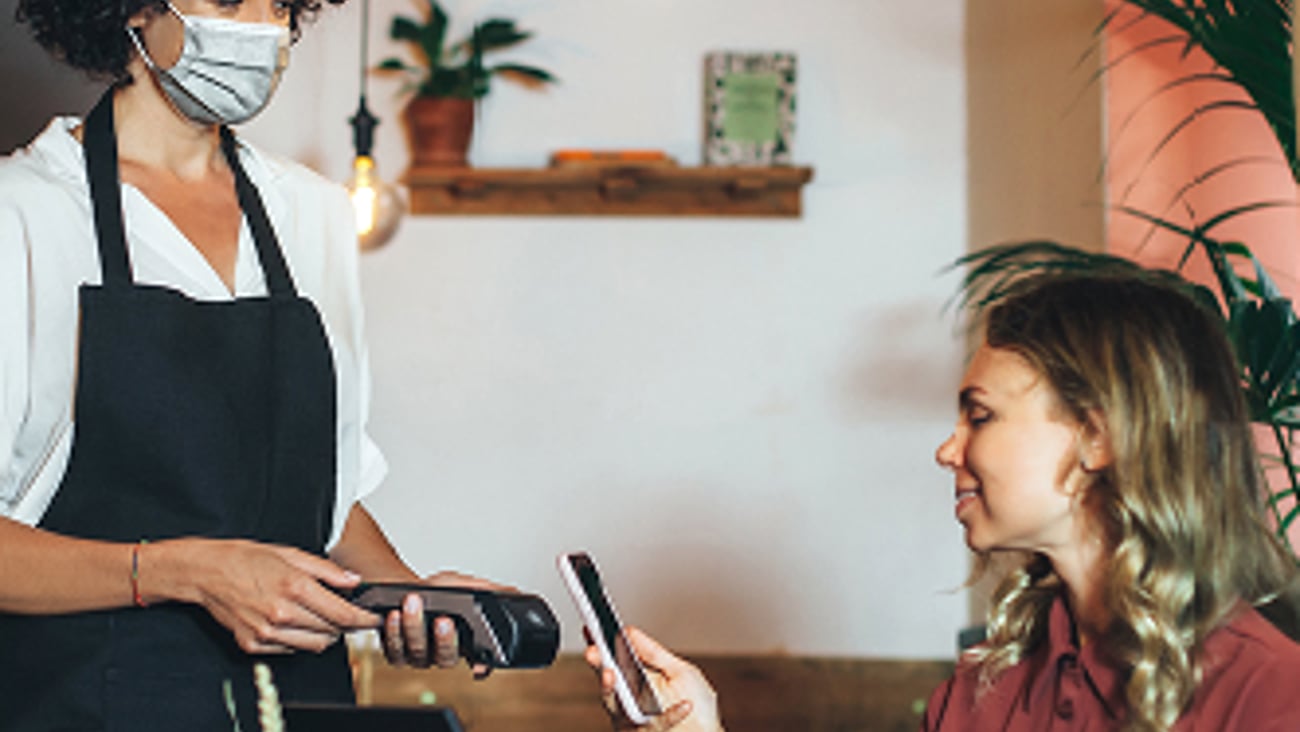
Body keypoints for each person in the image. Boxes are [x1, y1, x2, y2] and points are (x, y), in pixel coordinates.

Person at [0, 1, 496, 729]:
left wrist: (412, 598)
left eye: (279, 2)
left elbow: (323, 493)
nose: (265, 24)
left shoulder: (315, 216)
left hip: (296, 703)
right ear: (133, 10)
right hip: (85, 701)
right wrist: (183, 572)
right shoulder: (22, 214)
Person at [586, 263, 1300, 731]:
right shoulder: (983, 690)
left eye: (980, 415)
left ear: (1096, 436)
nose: (947, 449)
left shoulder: (1267, 694)